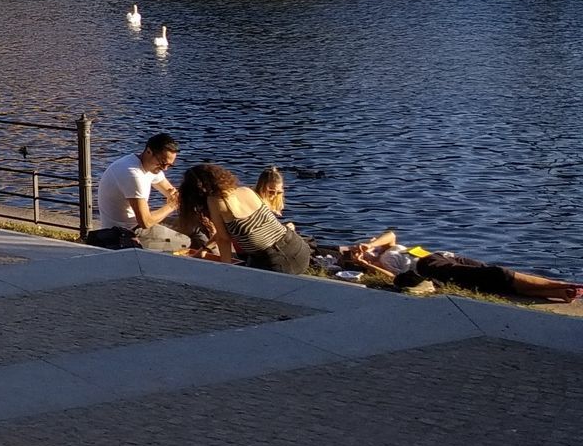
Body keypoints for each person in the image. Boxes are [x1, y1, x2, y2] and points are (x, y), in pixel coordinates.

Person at [341, 232, 583, 304]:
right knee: (494, 276)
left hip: (441, 256)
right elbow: (399, 278)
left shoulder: (379, 248)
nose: (355, 251)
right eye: (351, 253)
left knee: (492, 271)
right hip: (427, 267)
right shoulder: (370, 264)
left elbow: (391, 235)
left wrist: (369, 245)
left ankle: (555, 288)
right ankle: (560, 287)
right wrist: (363, 263)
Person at [175, 164, 311, 274]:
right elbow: (225, 232)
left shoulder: (215, 201)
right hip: (298, 248)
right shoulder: (246, 190)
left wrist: (227, 271)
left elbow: (224, 239)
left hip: (277, 259)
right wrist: (204, 249)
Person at [88, 133, 188, 251]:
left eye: (169, 165)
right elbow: (146, 222)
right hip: (126, 232)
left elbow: (172, 193)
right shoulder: (133, 174)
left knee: (192, 227)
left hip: (135, 225)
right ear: (149, 151)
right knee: (186, 242)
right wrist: (172, 205)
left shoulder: (150, 167)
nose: (165, 168)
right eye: (162, 163)